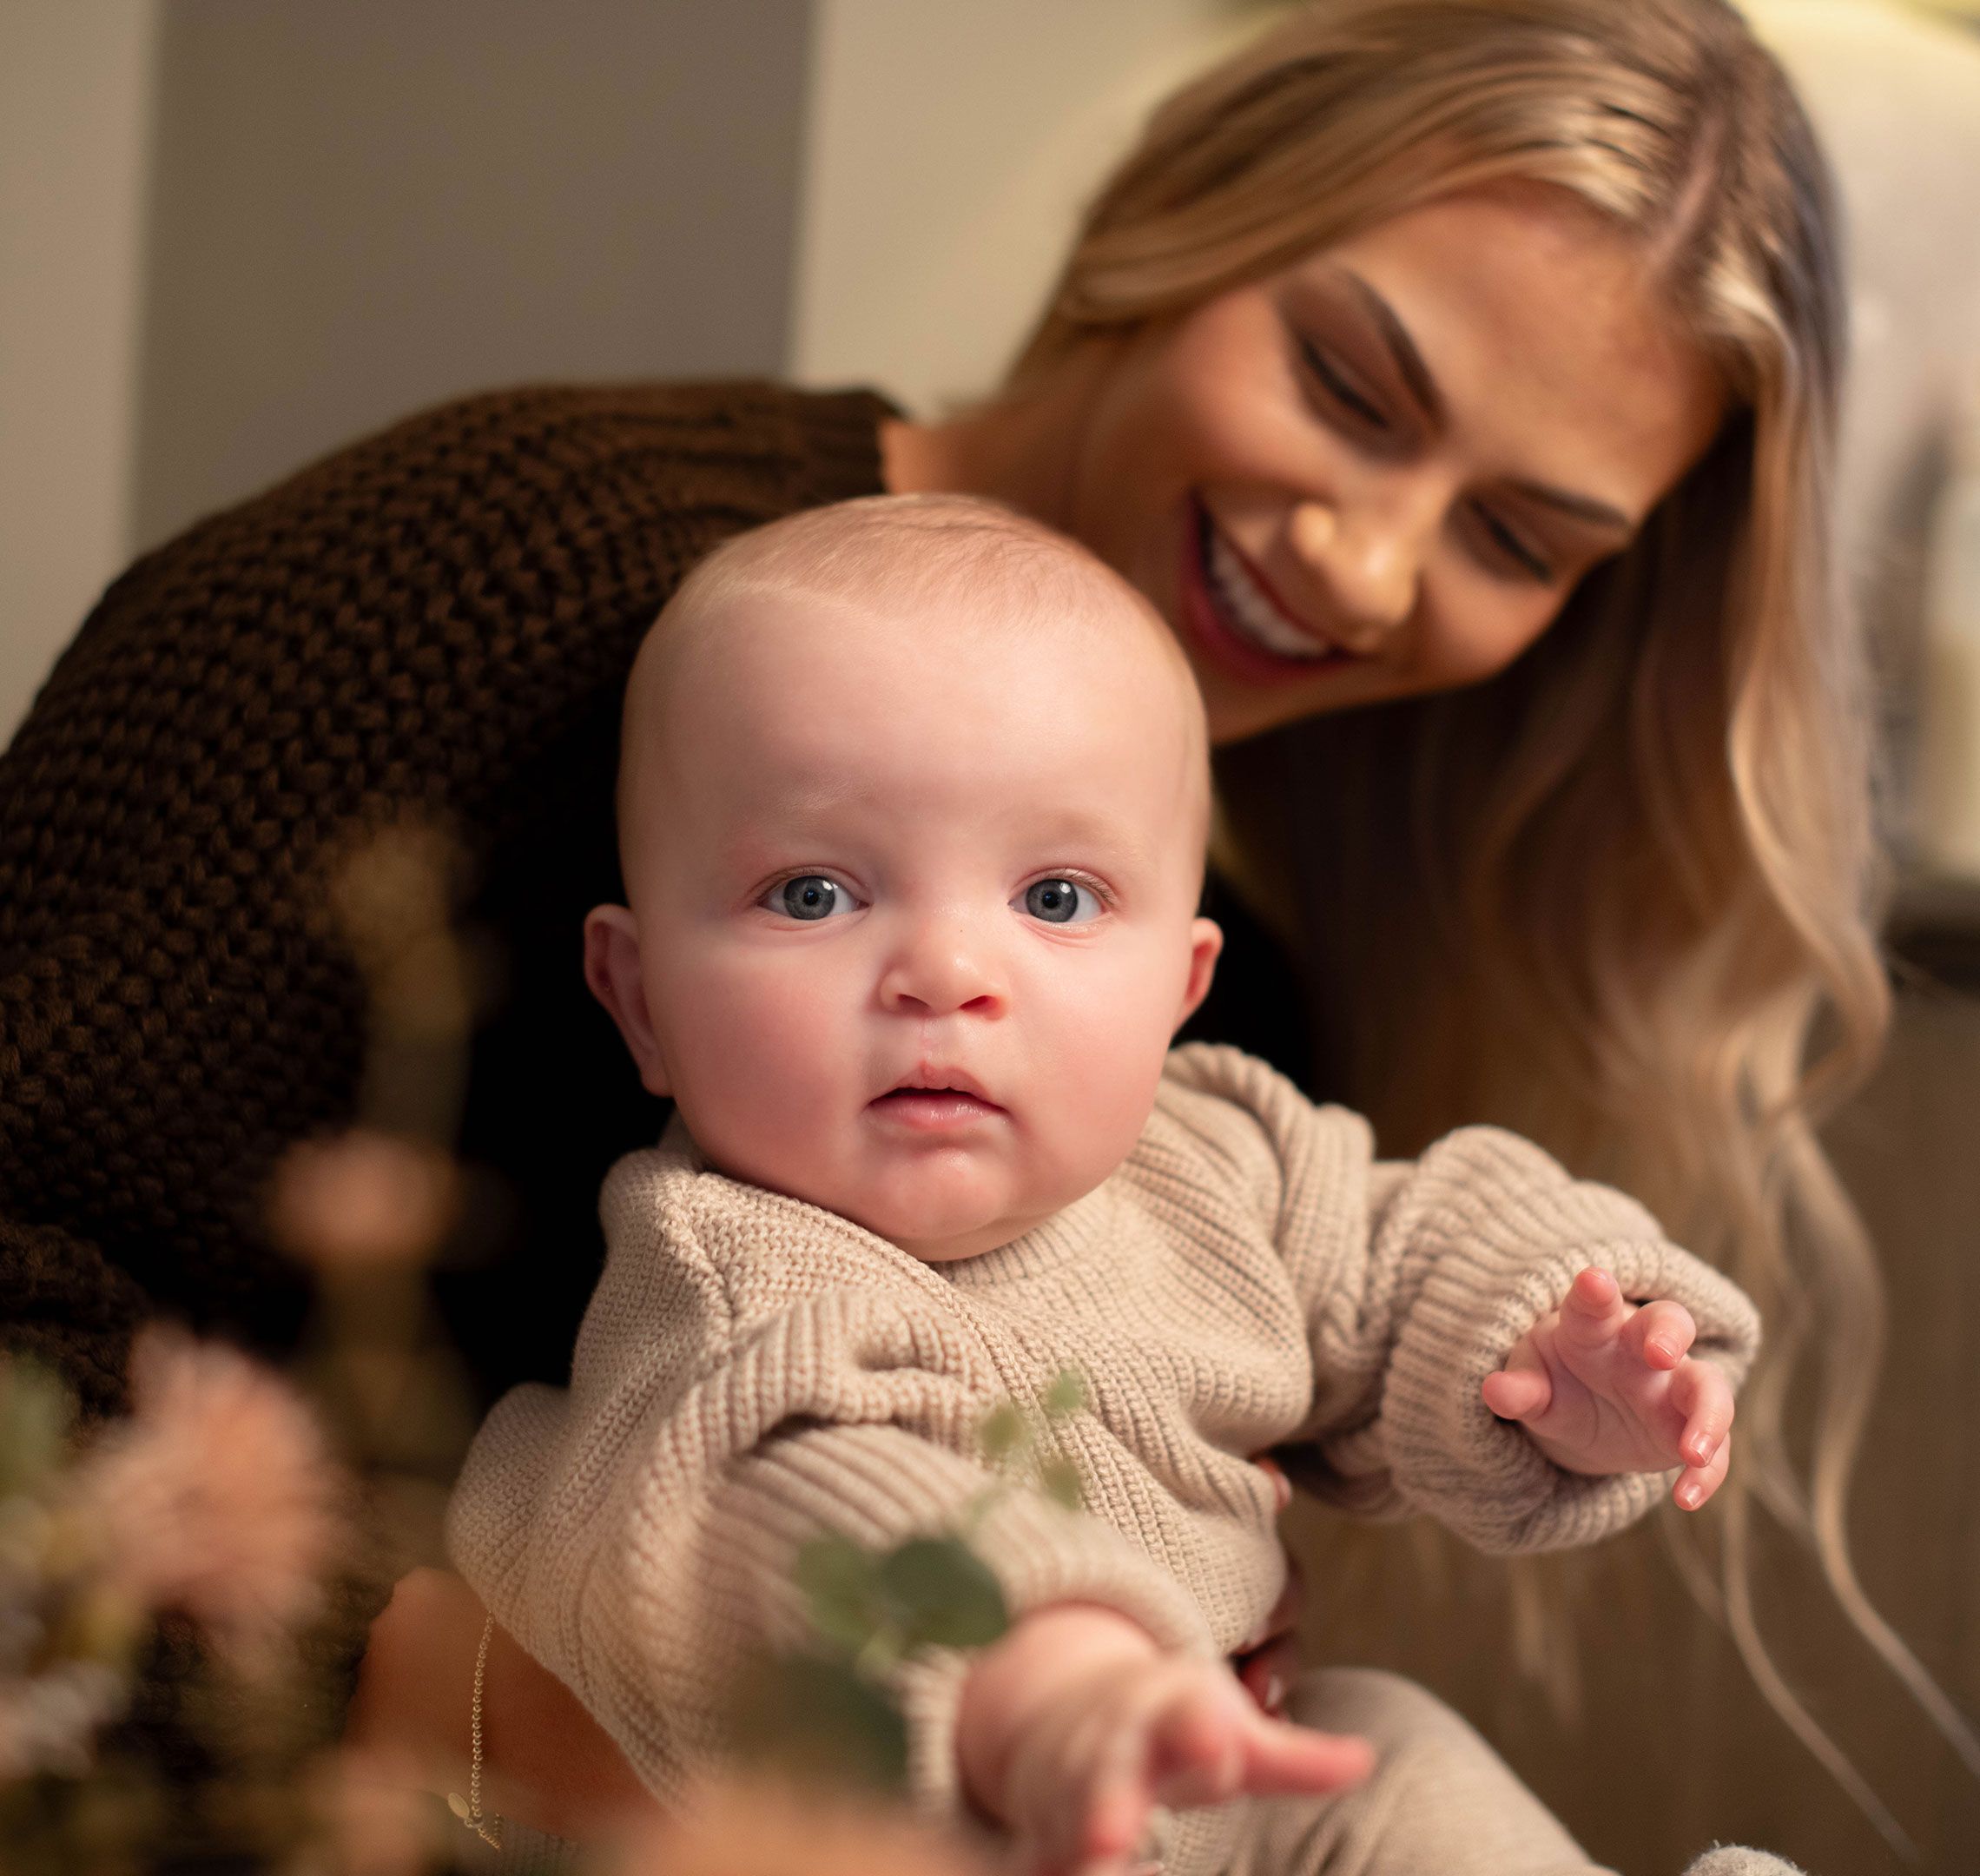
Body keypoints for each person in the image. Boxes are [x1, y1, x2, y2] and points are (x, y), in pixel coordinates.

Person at [0, 0, 1929, 1847]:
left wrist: (1570, 1352)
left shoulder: (1230, 1029)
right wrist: (473, 1705)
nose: (1362, 558)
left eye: (1516, 538)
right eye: (1346, 382)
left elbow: (1387, 1279)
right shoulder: (502, 581)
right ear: (1191, 212)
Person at [445, 491, 1773, 1876]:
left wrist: (1558, 1350)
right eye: (816, 895)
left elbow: (1406, 1249)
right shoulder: (731, 1283)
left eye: (1057, 899)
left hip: (1224, 1795)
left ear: (1179, 993)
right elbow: (804, 1515)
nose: (947, 975)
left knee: (1387, 1747)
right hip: (951, 1818)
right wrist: (1050, 1681)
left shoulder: (1212, 1162)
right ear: (641, 998)